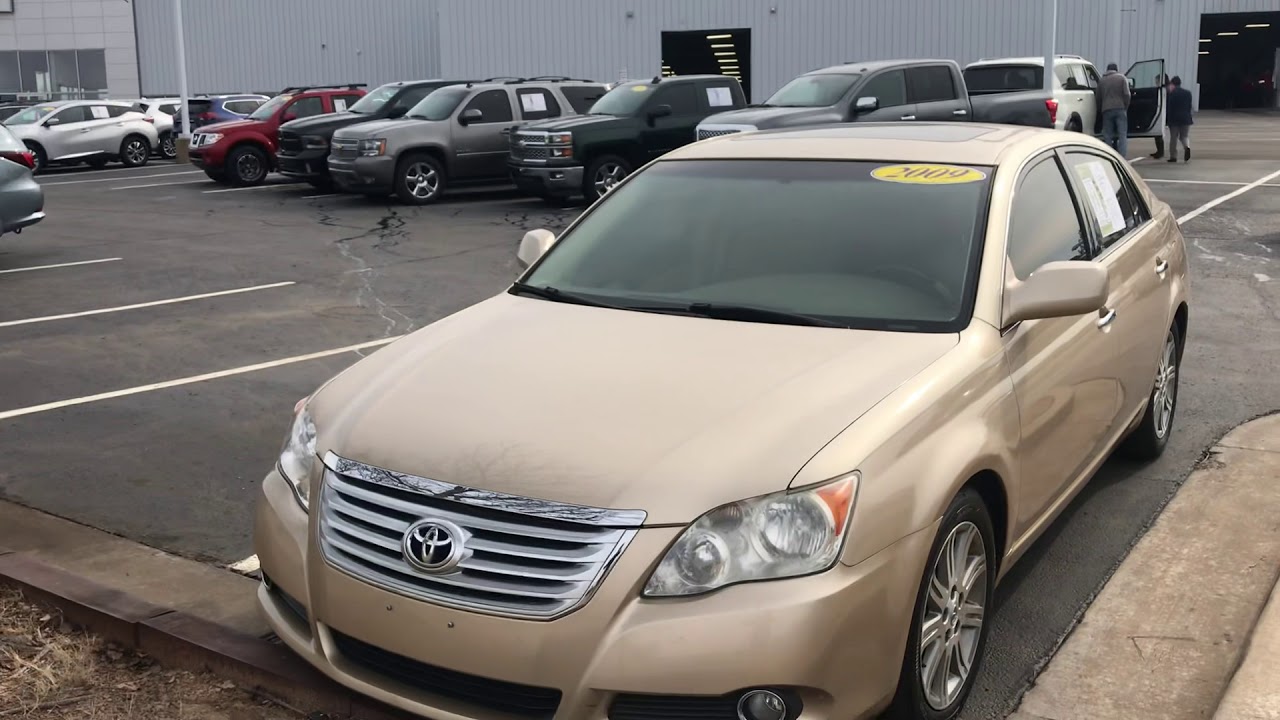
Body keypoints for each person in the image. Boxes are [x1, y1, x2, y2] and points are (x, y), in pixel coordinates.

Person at [1099, 62, 1132, 159]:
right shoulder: (1122, 78)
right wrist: (1125, 106)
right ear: (1116, 69)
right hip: (1120, 109)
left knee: (1107, 134)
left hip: (1106, 109)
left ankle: (1109, 155)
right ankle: (1122, 157)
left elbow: (1098, 97)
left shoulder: (1102, 80)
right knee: (1122, 134)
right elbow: (1127, 94)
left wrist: (1100, 108)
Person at [1166, 75, 1194, 163]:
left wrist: (1167, 119)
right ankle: (1187, 147)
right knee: (1184, 136)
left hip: (1174, 119)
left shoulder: (1171, 93)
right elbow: (1189, 106)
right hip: (1186, 118)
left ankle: (1173, 156)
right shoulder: (1188, 93)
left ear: (1172, 84)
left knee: (1173, 138)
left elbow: (1169, 107)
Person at [1150, 74, 1169, 159]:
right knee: (1158, 133)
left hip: (1162, 112)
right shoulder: (1163, 89)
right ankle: (1159, 151)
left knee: (1159, 133)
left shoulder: (1164, 90)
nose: (1156, 83)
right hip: (1161, 112)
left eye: (1157, 81)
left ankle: (1160, 152)